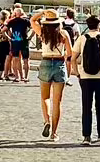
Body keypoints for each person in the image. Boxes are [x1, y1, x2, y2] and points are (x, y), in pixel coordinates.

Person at [71, 15, 100, 145]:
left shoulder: (81, 39)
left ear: (87, 25)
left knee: (86, 107)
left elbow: (72, 58)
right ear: (99, 24)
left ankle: (86, 136)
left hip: (85, 77)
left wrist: (77, 73)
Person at [30, 9, 72, 141]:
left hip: (46, 62)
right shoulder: (63, 33)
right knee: (57, 101)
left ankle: (46, 120)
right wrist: (64, 56)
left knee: (45, 97)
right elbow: (70, 52)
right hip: (59, 64)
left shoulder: (42, 32)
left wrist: (42, 13)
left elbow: (32, 20)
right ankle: (54, 133)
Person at [6, 7, 31, 83]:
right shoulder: (26, 21)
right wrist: (30, 37)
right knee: (26, 60)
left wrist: (9, 38)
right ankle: (26, 77)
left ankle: (17, 77)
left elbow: (3, 30)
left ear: (15, 13)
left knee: (15, 59)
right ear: (22, 13)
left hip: (15, 42)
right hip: (24, 42)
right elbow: (33, 28)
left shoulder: (12, 21)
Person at [63, 9, 80, 86]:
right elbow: (78, 34)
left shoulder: (62, 23)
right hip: (70, 44)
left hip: (62, 43)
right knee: (68, 61)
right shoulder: (75, 24)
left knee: (61, 60)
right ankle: (67, 78)